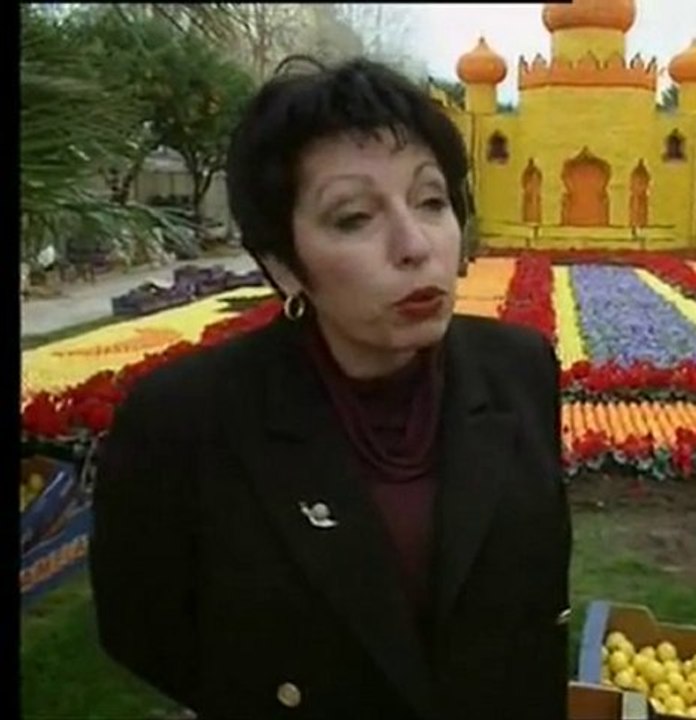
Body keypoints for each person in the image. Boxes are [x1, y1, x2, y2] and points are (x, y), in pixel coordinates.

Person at [90, 56, 572, 720]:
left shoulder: (519, 368)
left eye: (431, 201)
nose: (414, 245)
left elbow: (533, 608)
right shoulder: (183, 420)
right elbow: (144, 631)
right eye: (354, 218)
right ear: (284, 266)